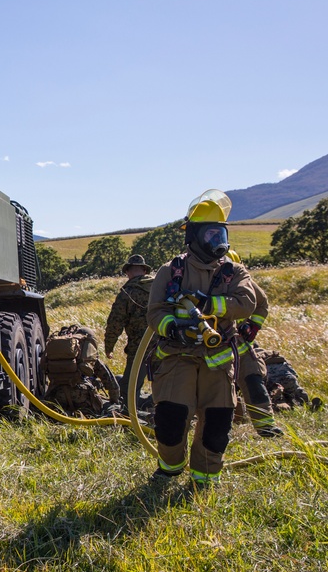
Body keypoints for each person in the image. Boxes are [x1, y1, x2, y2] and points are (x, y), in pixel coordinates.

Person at [147, 190, 258, 489]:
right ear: (194, 235)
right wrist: (174, 328)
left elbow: (247, 302)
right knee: (171, 418)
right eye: (210, 233)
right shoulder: (172, 271)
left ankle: (204, 479)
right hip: (177, 356)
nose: (217, 240)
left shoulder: (233, 271)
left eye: (220, 232)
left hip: (218, 360)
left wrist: (209, 306)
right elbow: (155, 312)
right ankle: (170, 469)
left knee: (218, 423)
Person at [225, 250, 283, 438]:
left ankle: (266, 426)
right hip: (212, 347)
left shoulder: (243, 279)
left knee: (253, 381)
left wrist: (253, 325)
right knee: (217, 392)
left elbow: (262, 302)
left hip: (240, 346)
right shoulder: (200, 276)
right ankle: (220, 428)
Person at [104, 254, 154, 408]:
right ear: (145, 270)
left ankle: (130, 417)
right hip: (166, 345)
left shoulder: (127, 293)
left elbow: (115, 323)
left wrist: (109, 347)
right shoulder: (160, 288)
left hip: (139, 349)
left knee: (128, 390)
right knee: (166, 386)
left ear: (128, 272)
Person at [43, 324, 122, 417]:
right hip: (83, 400)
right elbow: (111, 384)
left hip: (56, 398)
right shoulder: (88, 358)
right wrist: (115, 401)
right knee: (106, 408)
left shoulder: (55, 354)